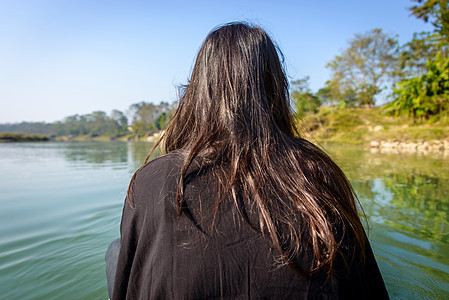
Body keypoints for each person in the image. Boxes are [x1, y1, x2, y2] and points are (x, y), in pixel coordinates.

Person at [107, 22, 389, 299]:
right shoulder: (318, 173)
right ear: (275, 88)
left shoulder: (152, 180)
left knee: (116, 252)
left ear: (199, 91)